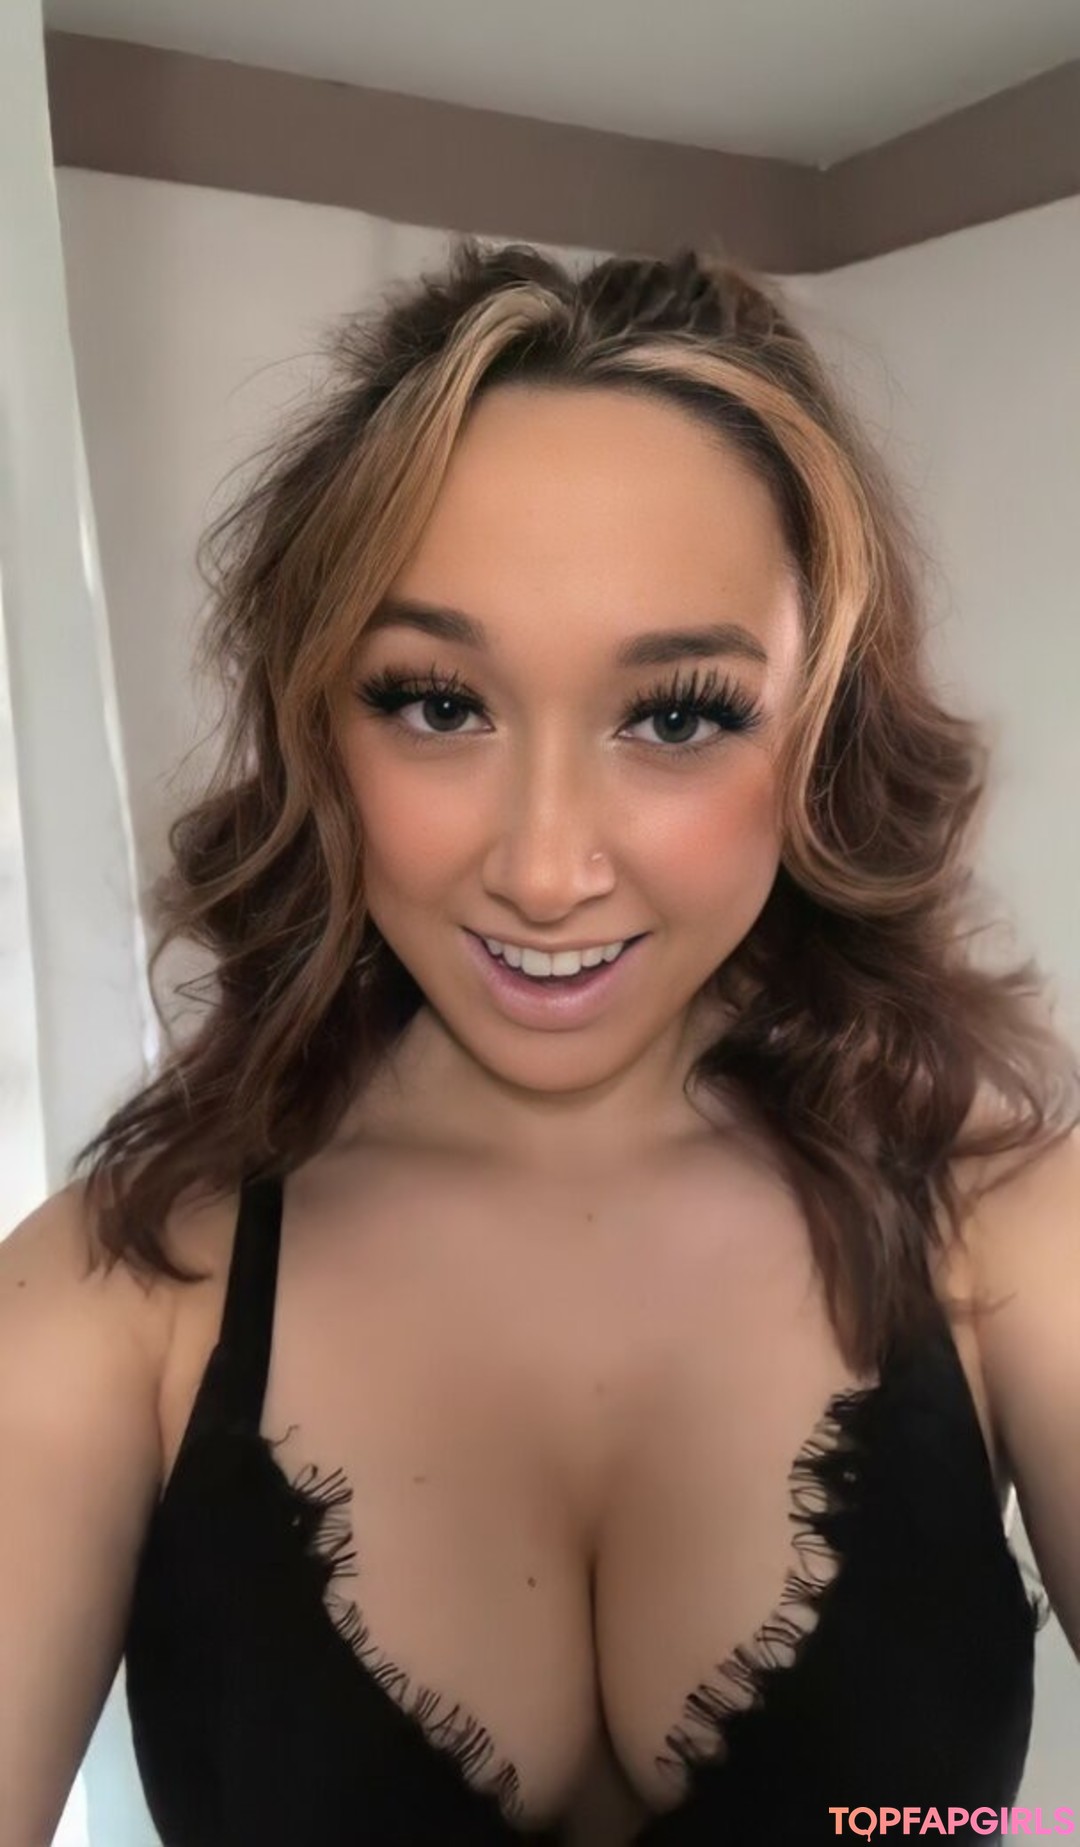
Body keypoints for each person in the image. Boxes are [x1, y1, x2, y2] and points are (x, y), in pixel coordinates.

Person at [1, 240, 1078, 1847]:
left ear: (821, 733)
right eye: (438, 704)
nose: (548, 866)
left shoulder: (1018, 1233)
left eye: (678, 714)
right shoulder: (113, 1301)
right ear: (317, 725)